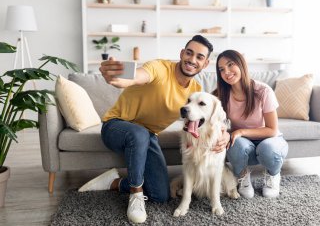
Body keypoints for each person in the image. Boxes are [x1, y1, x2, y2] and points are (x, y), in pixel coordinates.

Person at [78, 35, 230, 224]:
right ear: (182, 53)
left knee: (161, 194)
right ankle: (135, 194)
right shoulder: (159, 68)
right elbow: (137, 76)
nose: (192, 59)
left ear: (205, 63)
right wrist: (118, 76)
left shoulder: (196, 91)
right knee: (139, 133)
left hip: (147, 136)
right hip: (116, 126)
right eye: (189, 53)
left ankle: (114, 182)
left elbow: (212, 114)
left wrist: (225, 133)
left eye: (199, 57)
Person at [214, 49, 288, 199]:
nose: (227, 72)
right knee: (235, 144)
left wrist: (240, 131)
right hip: (242, 144)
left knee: (268, 148)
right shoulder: (220, 94)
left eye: (230, 65)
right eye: (222, 69)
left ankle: (273, 174)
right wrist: (225, 134)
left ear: (241, 65)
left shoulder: (263, 91)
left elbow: (272, 130)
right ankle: (242, 176)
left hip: (268, 139)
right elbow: (213, 121)